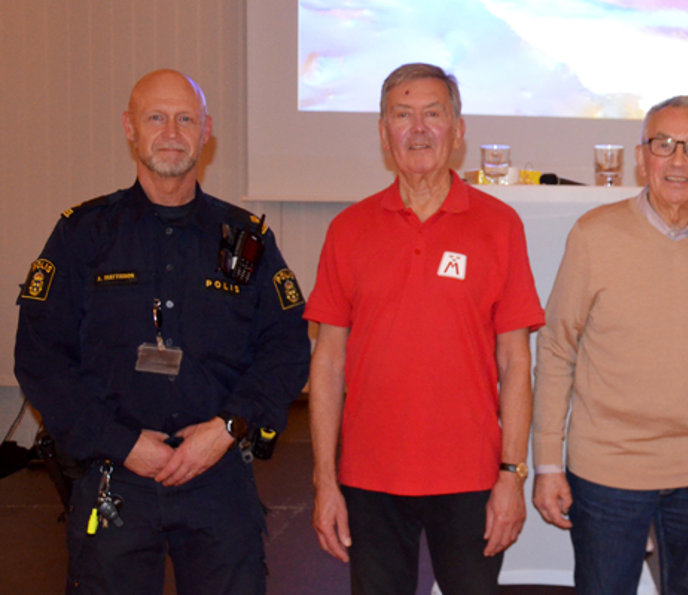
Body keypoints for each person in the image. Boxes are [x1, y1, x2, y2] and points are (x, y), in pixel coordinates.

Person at [14, 69, 310, 593]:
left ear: (206, 130)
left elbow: (285, 348)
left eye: (185, 119)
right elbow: (40, 359)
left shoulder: (242, 240)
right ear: (130, 128)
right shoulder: (83, 235)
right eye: (156, 117)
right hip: (115, 477)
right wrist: (121, 443)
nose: (171, 131)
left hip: (217, 475)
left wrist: (225, 429)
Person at [305, 63, 545, 594]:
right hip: (369, 478)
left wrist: (512, 474)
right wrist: (325, 479)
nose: (418, 129)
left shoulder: (500, 225)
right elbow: (327, 362)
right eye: (402, 115)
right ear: (383, 133)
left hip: (472, 477)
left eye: (433, 114)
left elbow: (516, 362)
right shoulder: (348, 229)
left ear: (458, 132)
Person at [532, 95, 688, 594]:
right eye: (663, 145)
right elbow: (557, 348)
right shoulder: (593, 235)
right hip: (608, 470)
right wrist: (547, 463)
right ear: (641, 157)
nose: (678, 160)